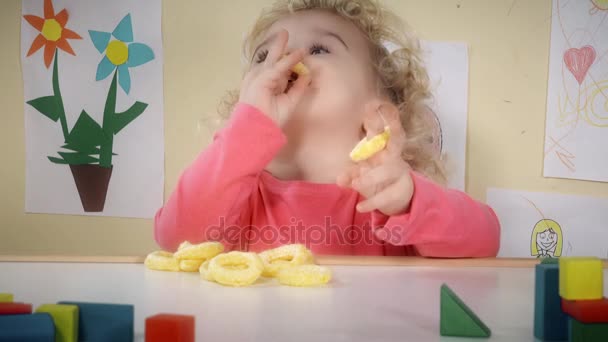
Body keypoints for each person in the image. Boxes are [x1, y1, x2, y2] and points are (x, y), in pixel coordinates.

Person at [154, 0, 500, 257]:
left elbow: (487, 240)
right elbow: (175, 238)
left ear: (379, 112)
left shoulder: (391, 200)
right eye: (264, 57)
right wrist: (245, 132)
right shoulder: (236, 200)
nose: (286, 58)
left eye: (320, 48)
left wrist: (410, 200)